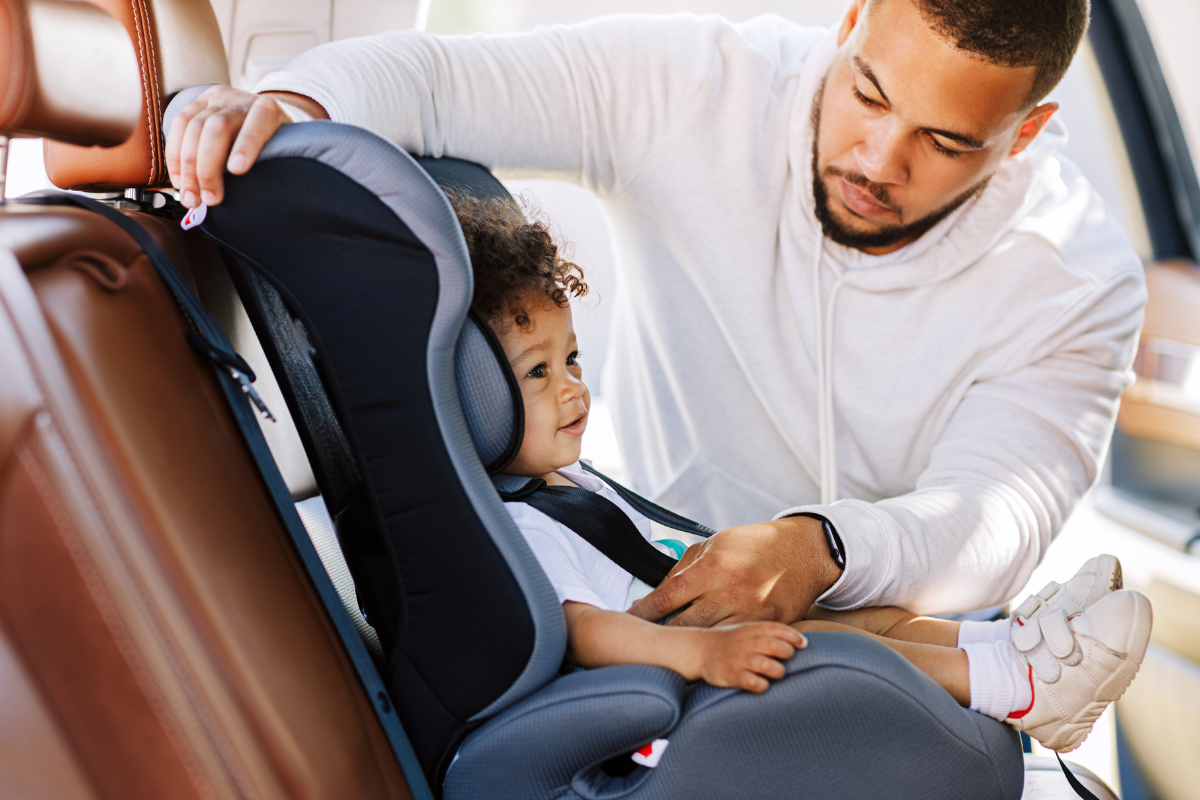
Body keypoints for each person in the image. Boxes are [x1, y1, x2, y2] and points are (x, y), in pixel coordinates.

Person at [165, 0, 1147, 628]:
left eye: (944, 140)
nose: (879, 161)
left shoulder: (1076, 277)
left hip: (899, 615)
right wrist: (294, 102)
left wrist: (823, 545)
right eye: (867, 93)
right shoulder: (702, 87)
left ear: (1026, 135)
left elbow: (992, 515)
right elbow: (439, 82)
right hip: (655, 578)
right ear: (852, 22)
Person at [451, 192, 1151, 754]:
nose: (572, 389)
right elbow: (583, 632)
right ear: (470, 395)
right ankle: (1017, 686)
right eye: (537, 373)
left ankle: (1012, 647)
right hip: (679, 687)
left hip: (702, 639)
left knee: (870, 612)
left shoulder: (570, 483)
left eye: (570, 360)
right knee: (833, 638)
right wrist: (700, 654)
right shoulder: (517, 522)